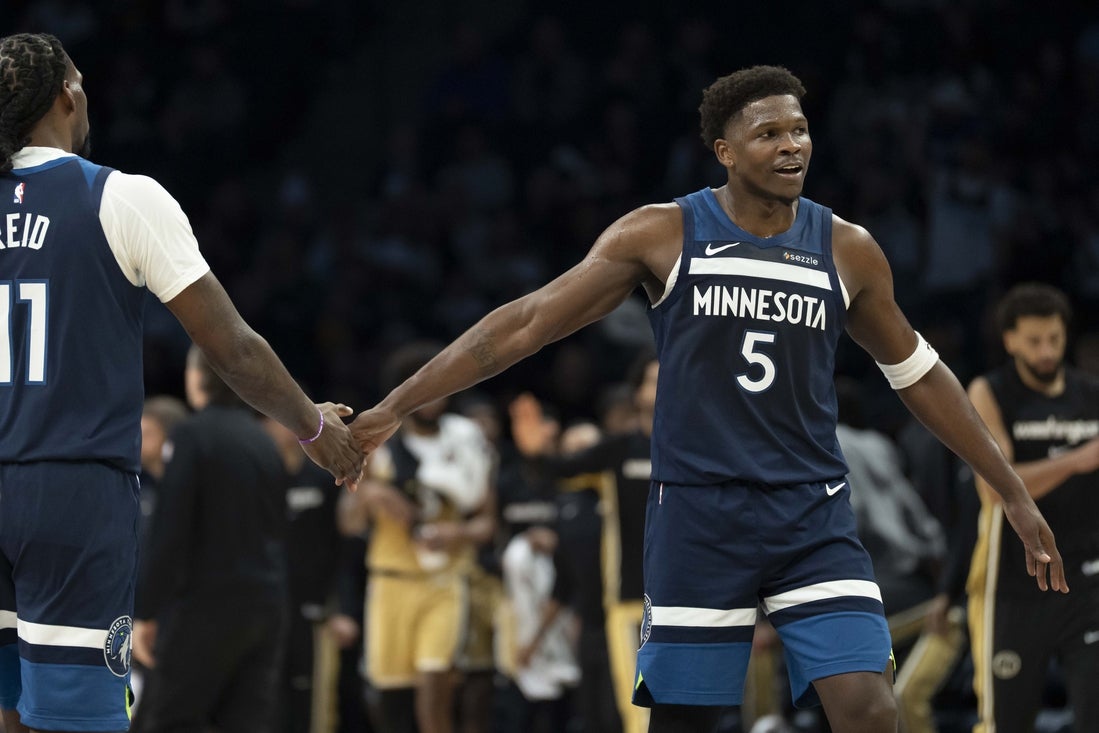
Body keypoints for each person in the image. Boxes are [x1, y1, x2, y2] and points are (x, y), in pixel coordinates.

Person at [349, 65, 1066, 733]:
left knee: (871, 710)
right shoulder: (663, 232)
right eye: (768, 133)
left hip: (810, 511)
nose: (791, 146)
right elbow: (526, 323)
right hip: (698, 515)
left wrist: (1010, 488)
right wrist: (399, 404)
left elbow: (918, 373)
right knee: (684, 723)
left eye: (798, 130)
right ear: (724, 151)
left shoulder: (846, 248)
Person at [0, 32, 362, 733]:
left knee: (8, 708)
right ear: (67, 96)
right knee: (77, 720)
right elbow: (233, 348)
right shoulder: (119, 196)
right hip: (70, 488)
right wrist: (312, 426)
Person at [130, 346, 290, 732]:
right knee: (244, 722)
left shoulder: (191, 434)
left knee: (169, 720)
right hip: (267, 605)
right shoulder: (264, 441)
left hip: (208, 604)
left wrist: (146, 611)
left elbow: (171, 532)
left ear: (197, 376)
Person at [338, 342, 495, 733]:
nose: (433, 396)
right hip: (391, 583)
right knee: (389, 702)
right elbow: (348, 523)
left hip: (444, 583)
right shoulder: (379, 444)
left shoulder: (466, 438)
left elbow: (487, 523)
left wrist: (457, 532)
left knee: (435, 696)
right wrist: (372, 493)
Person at [965, 283, 1099, 733]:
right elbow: (994, 490)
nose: (1046, 351)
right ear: (1010, 340)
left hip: (1087, 581)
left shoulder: (1090, 393)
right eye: (1034, 340)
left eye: (1054, 339)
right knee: (1007, 722)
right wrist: (1077, 460)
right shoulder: (989, 391)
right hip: (1014, 582)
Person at [508, 347, 658, 733]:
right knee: (640, 714)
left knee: (692, 709)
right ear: (636, 393)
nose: (663, 386)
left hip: (692, 598)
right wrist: (537, 454)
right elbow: (560, 469)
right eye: (652, 380)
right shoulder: (618, 451)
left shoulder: (699, 449)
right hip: (632, 599)